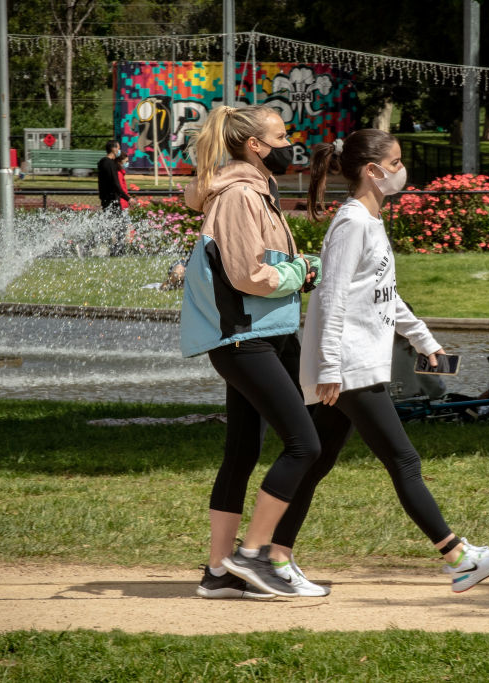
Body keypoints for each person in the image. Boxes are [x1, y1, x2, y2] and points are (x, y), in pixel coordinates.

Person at [279, 129, 489, 594]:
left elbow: (383, 296)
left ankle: (272, 555)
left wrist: (425, 341)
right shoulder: (352, 222)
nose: (402, 169)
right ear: (372, 171)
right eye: (396, 161)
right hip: (348, 366)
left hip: (353, 363)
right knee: (404, 459)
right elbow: (329, 298)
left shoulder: (369, 220)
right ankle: (459, 557)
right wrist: (328, 368)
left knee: (317, 461)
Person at [180, 104, 321, 599]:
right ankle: (252, 557)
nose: (289, 145)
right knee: (305, 443)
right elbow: (247, 275)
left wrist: (294, 271)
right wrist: (299, 274)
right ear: (255, 146)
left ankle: (219, 572)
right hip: (245, 339)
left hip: (264, 335)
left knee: (241, 452)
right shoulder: (240, 196)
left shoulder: (259, 189)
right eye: (281, 137)